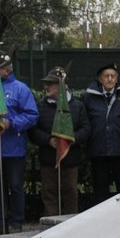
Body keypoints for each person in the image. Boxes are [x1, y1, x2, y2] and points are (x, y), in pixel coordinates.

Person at [0, 54, 38, 235]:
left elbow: (32, 115)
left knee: (15, 187)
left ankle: (16, 223)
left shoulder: (21, 89)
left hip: (13, 147)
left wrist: (12, 123)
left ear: (6, 70)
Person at [28, 70, 92, 217]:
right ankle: (51, 224)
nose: (46, 87)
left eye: (51, 84)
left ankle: (70, 223)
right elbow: (33, 130)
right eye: (46, 83)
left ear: (61, 86)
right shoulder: (40, 106)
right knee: (49, 192)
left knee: (70, 191)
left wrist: (71, 139)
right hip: (48, 157)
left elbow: (86, 128)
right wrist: (48, 140)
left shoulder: (78, 106)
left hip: (70, 157)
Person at [84, 62, 120, 204]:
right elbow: (86, 121)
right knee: (100, 189)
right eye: (106, 76)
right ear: (100, 79)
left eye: (113, 76)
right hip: (98, 150)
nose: (110, 79)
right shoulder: (89, 97)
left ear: (117, 79)